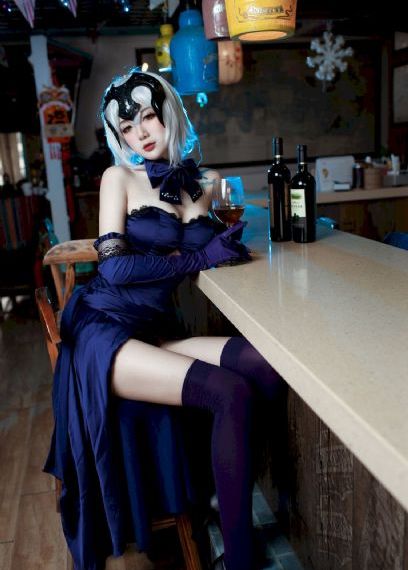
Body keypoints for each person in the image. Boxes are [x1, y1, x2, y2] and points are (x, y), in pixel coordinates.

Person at [44, 68, 286, 570]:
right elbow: (115, 266)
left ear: (168, 114)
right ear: (119, 137)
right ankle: (240, 556)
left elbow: (217, 241)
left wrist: (226, 243)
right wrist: (199, 257)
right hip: (103, 333)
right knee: (229, 391)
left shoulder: (198, 183)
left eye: (149, 116)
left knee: (262, 365)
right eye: (127, 127)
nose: (141, 133)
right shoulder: (118, 178)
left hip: (152, 331)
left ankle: (223, 490)